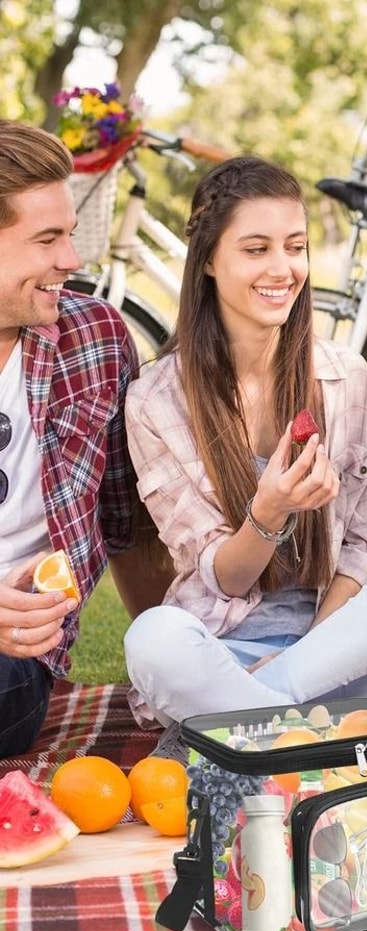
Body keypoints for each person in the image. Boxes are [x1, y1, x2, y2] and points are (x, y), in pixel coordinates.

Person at [123, 156, 367, 731]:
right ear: (207, 262)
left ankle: (252, 732)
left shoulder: (344, 375)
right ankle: (315, 732)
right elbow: (219, 578)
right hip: (221, 656)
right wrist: (269, 513)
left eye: (295, 247)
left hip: (336, 648)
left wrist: (303, 661)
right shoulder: (156, 399)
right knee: (153, 639)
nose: (283, 268)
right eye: (256, 249)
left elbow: (366, 546)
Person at [0, 119, 168, 756]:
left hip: (16, 665)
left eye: (69, 235)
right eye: (47, 240)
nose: (71, 261)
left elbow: (131, 523)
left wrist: (170, 666)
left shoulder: (95, 337)